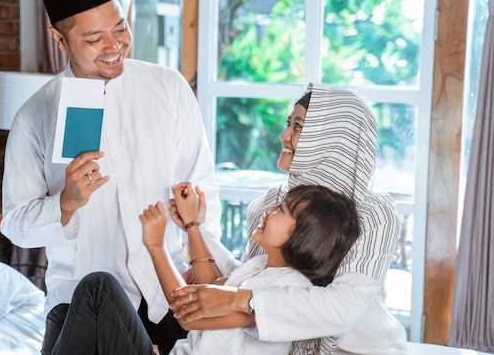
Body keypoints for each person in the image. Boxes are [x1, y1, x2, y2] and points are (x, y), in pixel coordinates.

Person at [0, 0, 225, 355]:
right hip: (77, 295)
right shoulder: (35, 116)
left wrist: (198, 248)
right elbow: (15, 227)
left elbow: (206, 191)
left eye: (120, 28)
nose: (115, 45)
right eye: (94, 38)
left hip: (168, 285)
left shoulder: (168, 89)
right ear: (59, 39)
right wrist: (65, 204)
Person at [169, 83, 408, 355]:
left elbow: (342, 307)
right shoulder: (272, 201)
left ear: (332, 138)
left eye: (299, 127)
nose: (284, 135)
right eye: (288, 124)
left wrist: (237, 300)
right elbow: (254, 276)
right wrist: (195, 228)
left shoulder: (374, 212)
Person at [47, 181, 361, 355]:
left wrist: (155, 245)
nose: (268, 209)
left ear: (301, 237)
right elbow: (212, 287)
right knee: (67, 312)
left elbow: (190, 311)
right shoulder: (262, 266)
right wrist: (193, 225)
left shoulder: (286, 289)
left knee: (99, 288)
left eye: (280, 211)